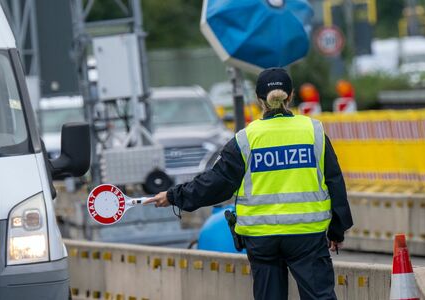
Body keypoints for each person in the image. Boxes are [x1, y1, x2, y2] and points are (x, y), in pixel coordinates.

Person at [144, 68, 353, 300]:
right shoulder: (313, 132)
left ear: (259, 99)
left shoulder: (245, 139)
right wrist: (337, 229)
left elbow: (215, 183)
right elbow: (334, 181)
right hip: (307, 236)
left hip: (262, 239)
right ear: (291, 95)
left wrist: (174, 196)